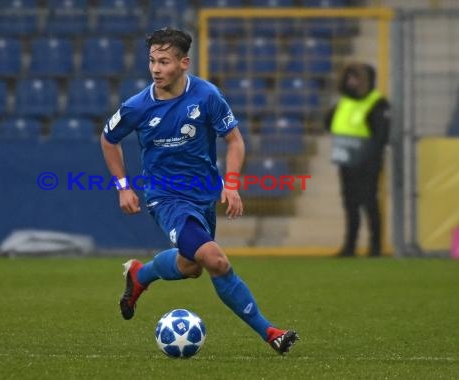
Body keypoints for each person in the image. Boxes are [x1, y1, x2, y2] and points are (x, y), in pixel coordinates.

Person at [100, 28, 298, 355]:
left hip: (202, 197)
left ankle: (140, 274)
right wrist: (123, 187)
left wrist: (231, 184)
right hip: (166, 198)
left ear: (184, 62)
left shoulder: (206, 96)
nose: (156, 69)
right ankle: (270, 332)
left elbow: (234, 140)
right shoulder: (137, 106)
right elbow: (108, 139)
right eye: (152, 61)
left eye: (164, 61)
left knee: (191, 266)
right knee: (215, 260)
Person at [325, 62, 391, 257]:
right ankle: (350, 246)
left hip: (368, 162)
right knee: (350, 203)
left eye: (355, 78)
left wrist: (366, 157)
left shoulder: (378, 103)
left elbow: (381, 136)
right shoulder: (344, 102)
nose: (351, 81)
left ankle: (375, 247)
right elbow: (329, 122)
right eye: (349, 78)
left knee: (369, 202)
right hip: (347, 160)